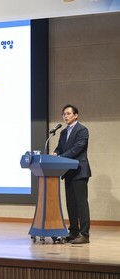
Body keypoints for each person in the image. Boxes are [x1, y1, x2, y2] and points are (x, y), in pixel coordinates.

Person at [53, 104, 91, 244]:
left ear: (76, 115)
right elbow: (60, 148)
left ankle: (84, 235)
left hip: (80, 171)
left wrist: (61, 157)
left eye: (68, 113)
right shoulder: (63, 132)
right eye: (64, 114)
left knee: (81, 204)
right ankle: (73, 232)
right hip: (68, 171)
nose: (65, 116)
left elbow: (78, 148)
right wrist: (56, 153)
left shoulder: (82, 130)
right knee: (71, 204)